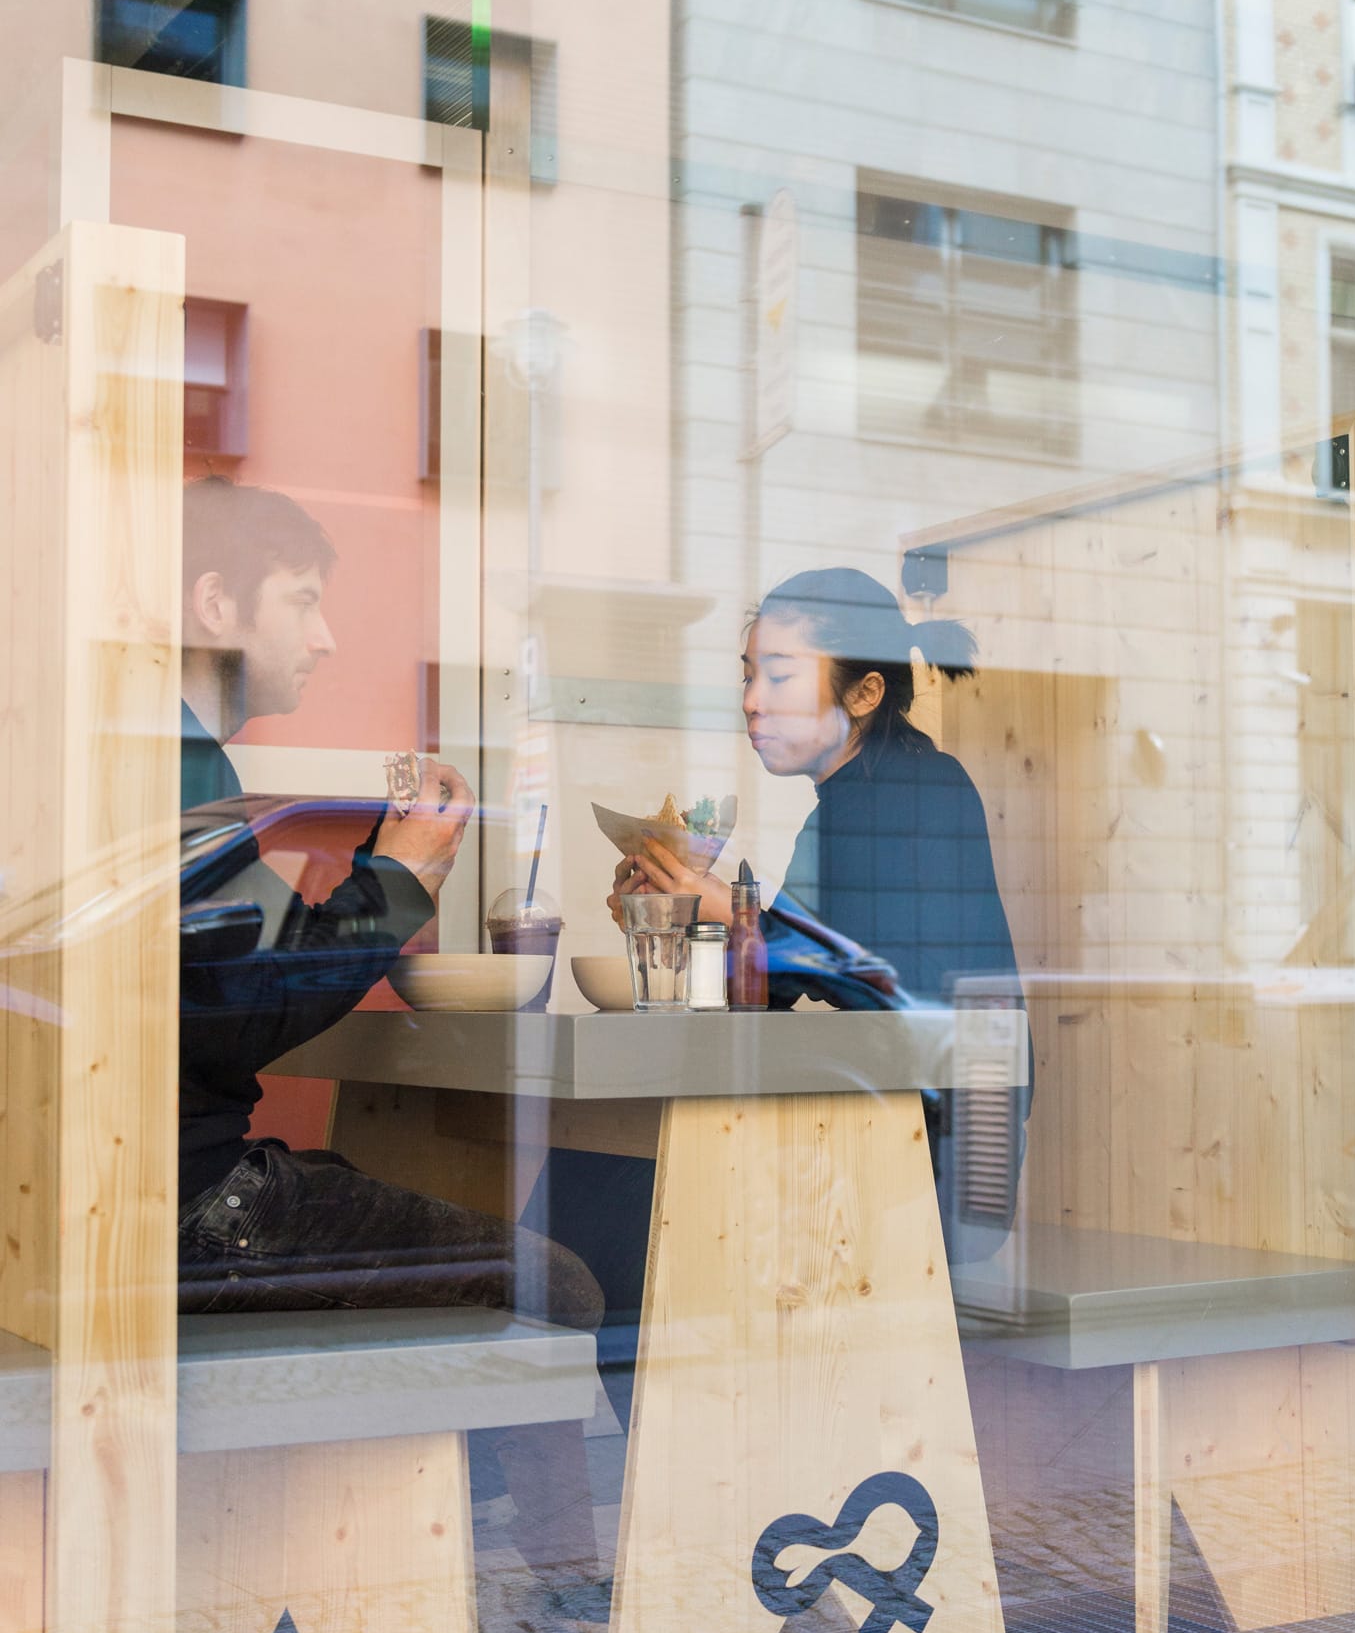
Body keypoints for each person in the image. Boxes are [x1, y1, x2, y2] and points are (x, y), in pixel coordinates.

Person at [527, 566, 1028, 1348]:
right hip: (867, 1116)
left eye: (781, 676)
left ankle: (608, 1437)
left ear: (863, 695)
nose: (753, 700)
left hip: (939, 1150)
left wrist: (735, 913)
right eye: (749, 675)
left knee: (604, 1194)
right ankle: (570, 1432)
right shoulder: (851, 805)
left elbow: (884, 990)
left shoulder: (921, 791)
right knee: (591, 1165)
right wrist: (682, 919)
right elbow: (780, 997)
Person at [177, 476, 603, 1332]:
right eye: (302, 602)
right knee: (560, 1290)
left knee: (362, 1178)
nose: (325, 638)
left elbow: (225, 985)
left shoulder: (152, 755)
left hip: (145, 1192)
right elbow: (243, 1014)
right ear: (216, 604)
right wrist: (395, 886)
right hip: (192, 1210)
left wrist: (388, 872)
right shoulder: (181, 767)